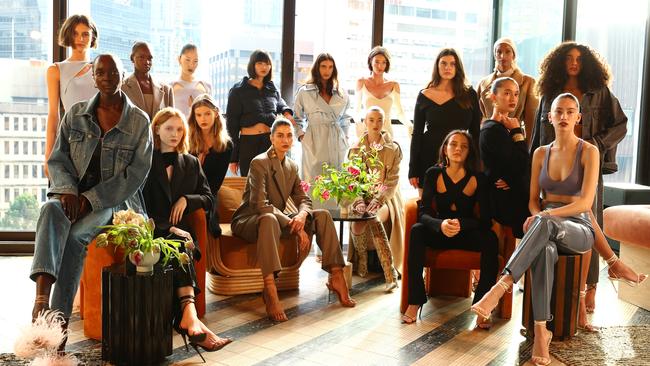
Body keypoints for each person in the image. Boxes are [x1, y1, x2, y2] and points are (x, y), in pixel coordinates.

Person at [30, 54, 152, 352]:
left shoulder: (138, 121)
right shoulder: (75, 114)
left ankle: (57, 327)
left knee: (76, 237)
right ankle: (41, 301)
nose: (107, 77)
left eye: (113, 72)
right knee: (49, 209)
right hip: (72, 195)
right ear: (94, 78)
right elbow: (57, 159)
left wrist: (90, 199)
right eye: (101, 72)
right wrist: (69, 191)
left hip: (114, 202)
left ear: (121, 76)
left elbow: (135, 175)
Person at [472, 93, 599, 366]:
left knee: (543, 222)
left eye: (570, 112)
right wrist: (539, 215)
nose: (564, 116)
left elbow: (586, 202)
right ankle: (542, 332)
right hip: (546, 223)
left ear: (578, 117)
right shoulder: (541, 153)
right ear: (549, 117)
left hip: (578, 228)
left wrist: (545, 215)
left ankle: (501, 286)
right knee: (545, 250)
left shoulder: (589, 151)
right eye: (558, 112)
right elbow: (532, 200)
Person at [530, 42, 628, 313]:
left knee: (589, 217)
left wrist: (596, 142)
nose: (574, 63)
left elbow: (621, 124)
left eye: (579, 59)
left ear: (587, 64)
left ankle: (589, 289)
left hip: (586, 162)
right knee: (548, 217)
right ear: (560, 62)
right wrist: (534, 168)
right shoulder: (550, 93)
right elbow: (539, 135)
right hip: (555, 164)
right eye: (569, 58)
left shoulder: (600, 92)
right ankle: (553, 287)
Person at [231, 117, 355, 322]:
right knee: (269, 218)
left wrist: (302, 215)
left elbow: (304, 199)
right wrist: (295, 226)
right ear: (271, 138)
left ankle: (336, 275)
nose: (285, 140)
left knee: (322, 215)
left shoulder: (291, 165)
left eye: (289, 135)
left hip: (274, 219)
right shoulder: (259, 162)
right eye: (280, 135)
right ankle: (270, 289)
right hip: (250, 220)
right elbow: (260, 205)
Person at [143, 107, 231, 359]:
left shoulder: (190, 163)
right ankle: (189, 317)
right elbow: (137, 204)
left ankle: (187, 319)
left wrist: (186, 199)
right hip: (153, 233)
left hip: (183, 236)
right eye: (169, 128)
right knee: (177, 244)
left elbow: (208, 199)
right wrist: (167, 226)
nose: (174, 134)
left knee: (180, 244)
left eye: (179, 129)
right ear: (157, 130)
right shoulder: (145, 162)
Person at [403, 130, 497, 330]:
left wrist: (463, 224)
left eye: (463, 146)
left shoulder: (478, 178)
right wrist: (440, 225)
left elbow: (485, 220)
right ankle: (415, 300)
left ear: (469, 152)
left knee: (490, 239)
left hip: (466, 234)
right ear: (445, 149)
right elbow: (424, 212)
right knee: (418, 230)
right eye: (453, 144)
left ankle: (482, 305)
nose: (458, 149)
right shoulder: (433, 173)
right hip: (440, 232)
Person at [409, 48, 481, 195]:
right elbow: (417, 134)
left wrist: (478, 165)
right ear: (437, 66)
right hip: (428, 157)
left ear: (458, 68)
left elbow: (476, 134)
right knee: (426, 209)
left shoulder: (469, 95)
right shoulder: (424, 95)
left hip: (460, 159)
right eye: (443, 63)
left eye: (452, 64)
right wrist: (413, 169)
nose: (447, 67)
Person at [348, 106, 403, 291]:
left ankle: (390, 274)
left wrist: (378, 199)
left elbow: (393, 180)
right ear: (365, 122)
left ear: (384, 121)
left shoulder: (393, 148)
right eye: (371, 120)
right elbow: (351, 179)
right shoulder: (355, 149)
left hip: (387, 199)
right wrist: (358, 200)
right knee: (356, 223)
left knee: (374, 217)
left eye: (379, 120)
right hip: (361, 197)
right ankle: (362, 262)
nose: (375, 124)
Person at [226, 49, 298, 177]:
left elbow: (279, 102)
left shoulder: (271, 87)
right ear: (252, 65)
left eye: (267, 63)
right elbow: (231, 125)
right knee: (250, 184)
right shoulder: (238, 90)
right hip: (248, 143)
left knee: (272, 183)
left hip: (270, 141)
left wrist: (287, 112)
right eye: (259, 63)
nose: (264, 67)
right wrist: (233, 157)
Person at [45, 14, 99, 177]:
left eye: (85, 34)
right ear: (68, 34)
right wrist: (48, 155)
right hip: (70, 142)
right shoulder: (56, 70)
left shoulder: (101, 68)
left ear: (92, 37)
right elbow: (53, 115)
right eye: (75, 33)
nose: (80, 38)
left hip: (99, 142)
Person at [479, 77, 530, 238]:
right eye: (507, 93)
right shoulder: (493, 129)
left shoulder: (505, 127)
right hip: (502, 202)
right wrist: (517, 132)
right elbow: (522, 164)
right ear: (493, 97)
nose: (513, 98)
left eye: (516, 94)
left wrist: (512, 177)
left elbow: (517, 167)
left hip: (511, 195)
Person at [294, 53, 351, 182]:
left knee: (336, 181)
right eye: (323, 66)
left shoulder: (342, 93)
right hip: (314, 140)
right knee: (314, 181)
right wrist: (302, 136)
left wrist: (345, 137)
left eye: (330, 67)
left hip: (336, 139)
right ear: (317, 68)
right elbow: (297, 117)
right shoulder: (304, 92)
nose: (327, 70)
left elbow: (346, 119)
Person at [476, 38, 538, 145]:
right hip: (488, 137)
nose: (502, 56)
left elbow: (531, 121)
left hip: (513, 137)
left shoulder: (528, 82)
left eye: (507, 51)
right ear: (495, 55)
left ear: (514, 55)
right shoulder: (483, 83)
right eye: (499, 52)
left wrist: (527, 148)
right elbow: (476, 118)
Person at [187, 94, 233, 236]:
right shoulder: (187, 140)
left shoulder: (225, 145)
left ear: (216, 113)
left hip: (208, 195)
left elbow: (215, 184)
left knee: (202, 217)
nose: (203, 119)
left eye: (207, 114)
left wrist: (197, 200)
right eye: (198, 115)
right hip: (185, 191)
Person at [356, 46, 412, 138]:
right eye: (377, 62)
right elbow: (357, 110)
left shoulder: (394, 85)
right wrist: (358, 124)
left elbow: (400, 112)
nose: (380, 66)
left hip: (387, 134)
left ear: (387, 64)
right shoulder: (361, 82)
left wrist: (409, 125)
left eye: (383, 63)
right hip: (367, 133)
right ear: (371, 62)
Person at [122, 41, 174, 120]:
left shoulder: (167, 90)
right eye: (142, 57)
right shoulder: (122, 88)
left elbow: (172, 121)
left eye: (150, 58)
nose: (146, 62)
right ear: (132, 58)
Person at [171, 44, 212, 118]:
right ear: (179, 59)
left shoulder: (206, 86)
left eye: (195, 61)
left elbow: (210, 113)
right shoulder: (170, 86)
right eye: (187, 60)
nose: (191, 64)